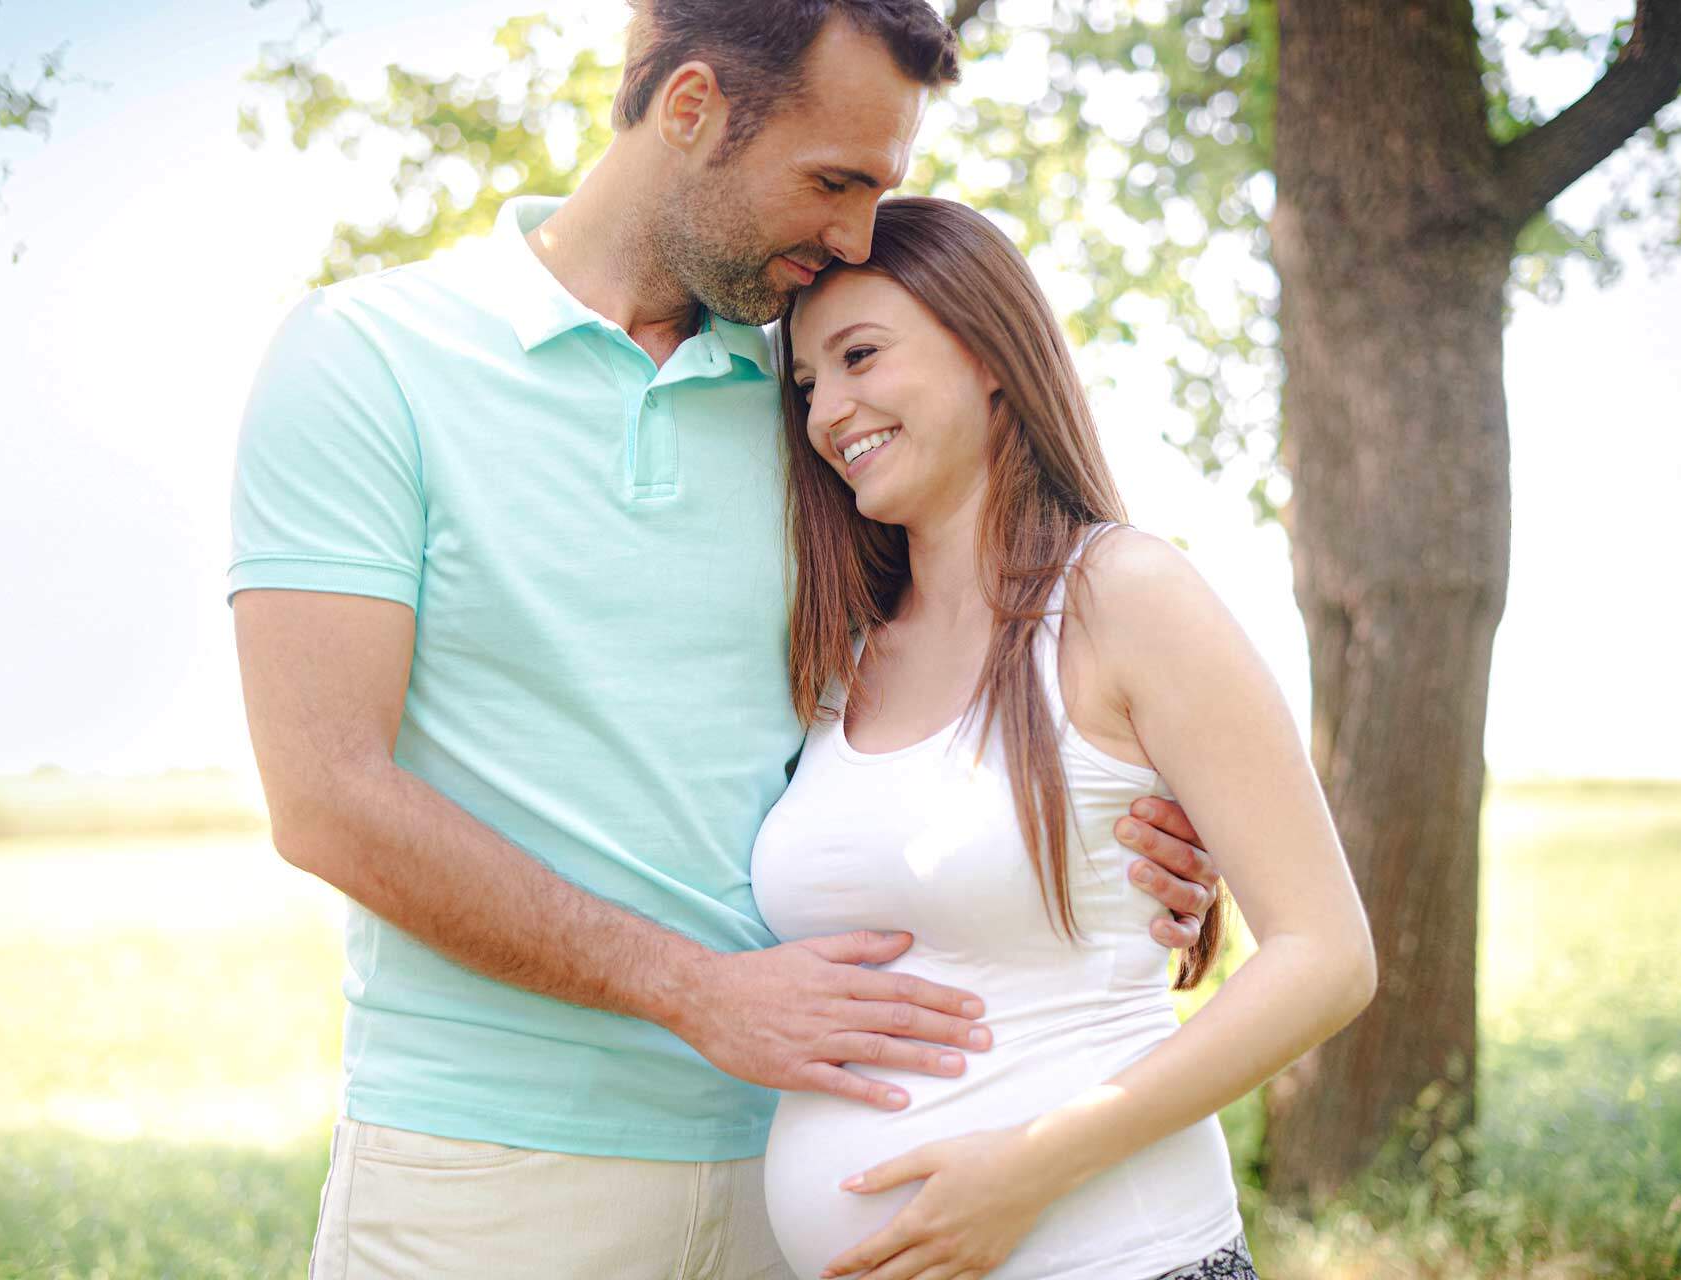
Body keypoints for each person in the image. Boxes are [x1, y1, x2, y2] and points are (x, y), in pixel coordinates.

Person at [230, 4, 1229, 1276]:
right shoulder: (368, 358)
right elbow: (327, 798)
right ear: (691, 109)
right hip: (485, 1169)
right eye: (833, 180)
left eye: (881, 191)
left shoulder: (823, 392)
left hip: (812, 1159)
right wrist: (699, 993)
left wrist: (1139, 823)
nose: (856, 235)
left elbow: (980, 660)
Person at [751, 196, 1378, 1280]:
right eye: (807, 385)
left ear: (989, 351)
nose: (827, 413)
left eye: (860, 356)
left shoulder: (1120, 592)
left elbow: (1327, 957)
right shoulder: (844, 658)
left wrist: (1031, 1167)